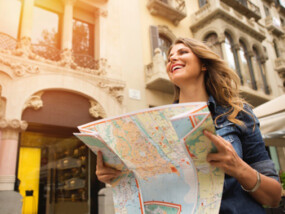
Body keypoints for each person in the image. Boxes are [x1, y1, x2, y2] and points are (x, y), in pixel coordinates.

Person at [96, 37, 282, 213]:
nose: (172, 58)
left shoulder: (238, 114)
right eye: (169, 58)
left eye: (183, 52)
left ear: (203, 64)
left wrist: (240, 168)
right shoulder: (157, 125)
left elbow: (273, 197)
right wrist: (119, 178)